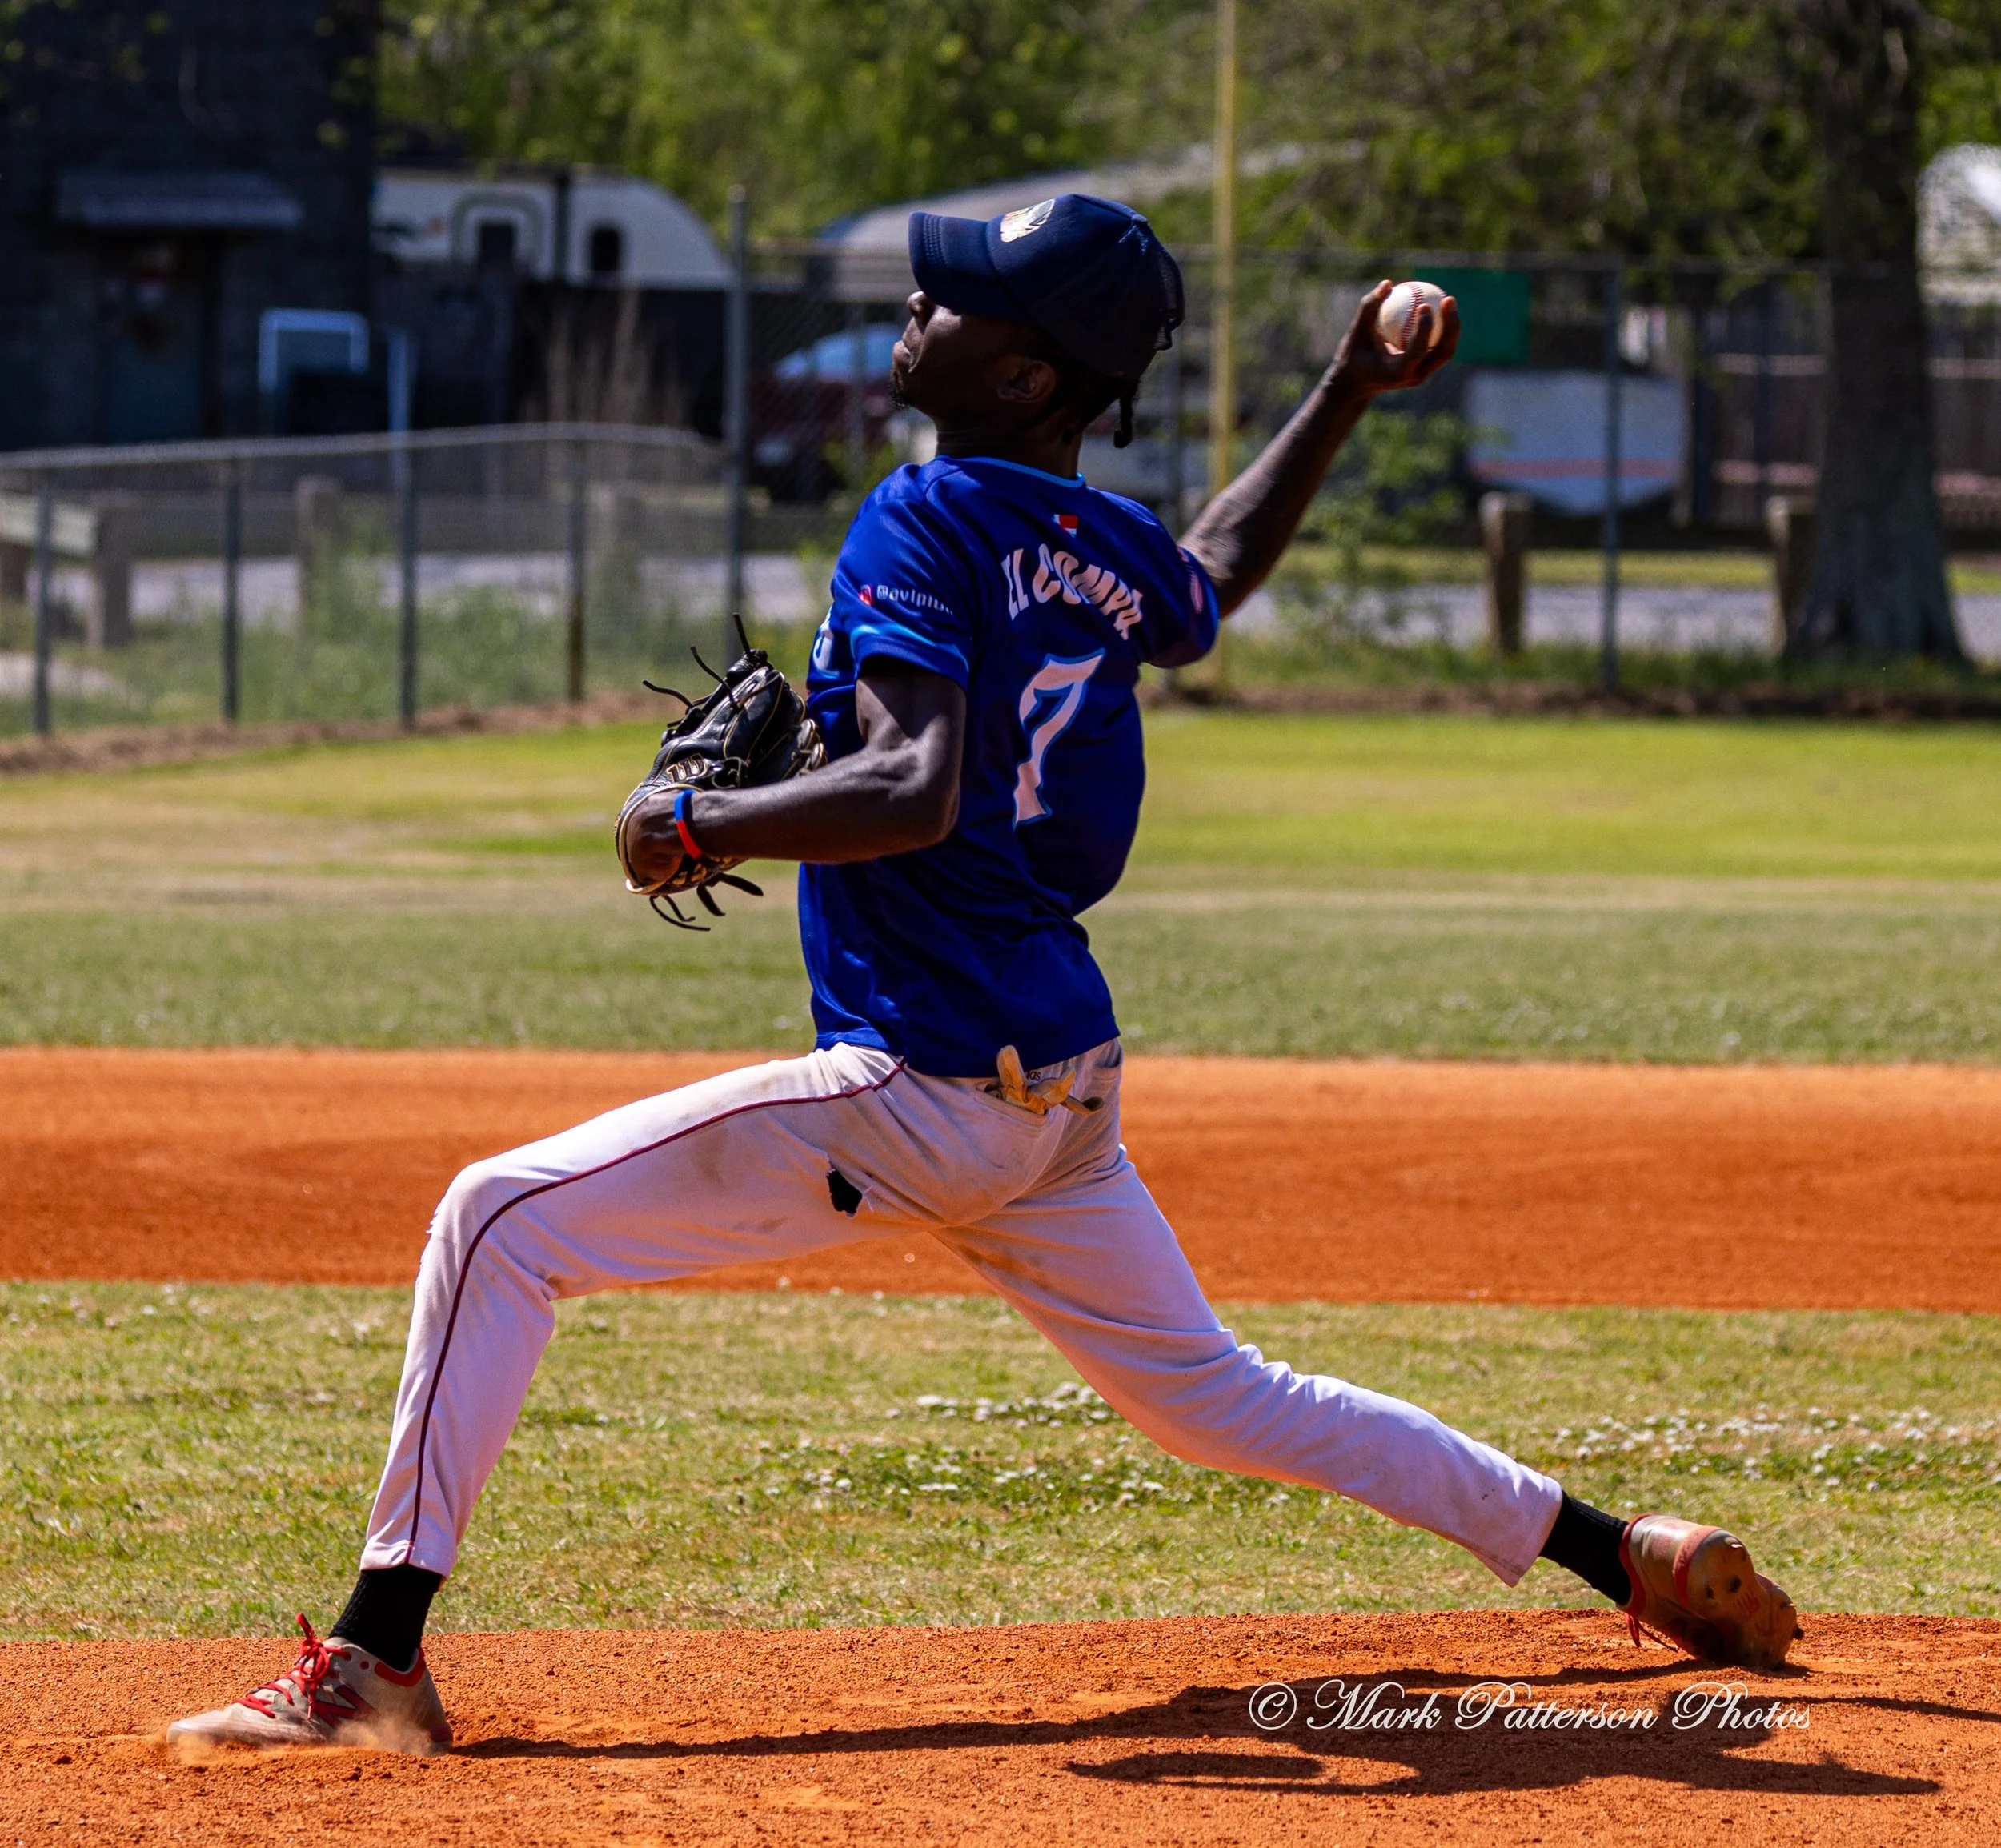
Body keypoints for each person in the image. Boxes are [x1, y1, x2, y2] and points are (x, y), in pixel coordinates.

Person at [171, 196, 1797, 1752]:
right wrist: (1342, 389)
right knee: (1224, 1399)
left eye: (953, 300)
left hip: (924, 1080)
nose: (915, 304)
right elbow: (1212, 575)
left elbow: (912, 787)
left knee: (495, 1221)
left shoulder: (923, 511)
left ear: (1023, 375)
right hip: (1056, 1089)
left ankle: (371, 1659)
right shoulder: (1100, 539)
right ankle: (1622, 1552)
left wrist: (695, 822)